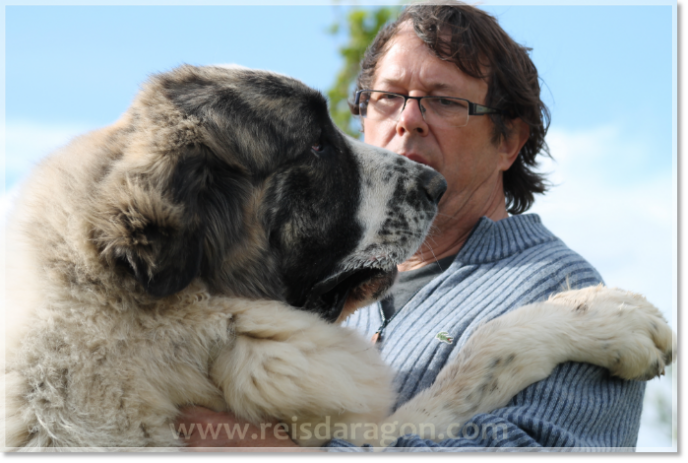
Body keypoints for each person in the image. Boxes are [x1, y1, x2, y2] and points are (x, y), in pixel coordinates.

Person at [177, 2, 645, 449]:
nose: (408, 120)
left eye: (443, 101)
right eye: (388, 97)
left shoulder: (564, 294)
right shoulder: (296, 275)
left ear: (509, 141)